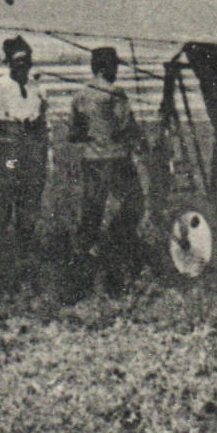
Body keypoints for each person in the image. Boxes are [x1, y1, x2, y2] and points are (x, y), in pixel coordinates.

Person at [70, 46, 151, 291]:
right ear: (107, 67)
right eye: (114, 66)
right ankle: (112, 246)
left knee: (92, 211)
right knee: (135, 203)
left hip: (91, 160)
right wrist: (141, 142)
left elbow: (74, 134)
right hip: (117, 159)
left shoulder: (80, 95)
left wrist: (93, 133)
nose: (116, 71)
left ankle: (84, 267)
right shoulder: (116, 94)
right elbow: (125, 126)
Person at [0, 36, 50, 247]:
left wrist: (48, 157)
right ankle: (0, 253)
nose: (22, 66)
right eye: (17, 61)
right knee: (2, 205)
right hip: (6, 155)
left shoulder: (38, 89)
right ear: (9, 62)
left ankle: (24, 251)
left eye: (26, 61)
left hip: (32, 154)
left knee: (29, 206)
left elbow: (45, 127)